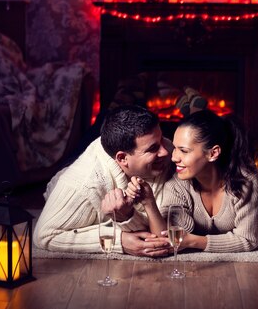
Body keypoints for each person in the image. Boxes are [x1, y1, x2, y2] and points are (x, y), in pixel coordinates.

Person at [33, 105, 173, 256]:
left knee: (105, 118)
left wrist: (127, 217)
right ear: (122, 158)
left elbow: (164, 231)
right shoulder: (82, 183)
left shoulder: (168, 151)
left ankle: (119, 101)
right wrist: (119, 240)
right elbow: (44, 235)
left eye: (162, 141)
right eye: (153, 148)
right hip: (72, 181)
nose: (165, 151)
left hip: (115, 153)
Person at [126, 109, 258, 253]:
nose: (174, 157)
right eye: (175, 148)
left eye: (184, 151)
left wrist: (193, 241)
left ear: (213, 153)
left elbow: (247, 240)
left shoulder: (246, 180)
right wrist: (149, 202)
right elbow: (164, 241)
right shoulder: (178, 182)